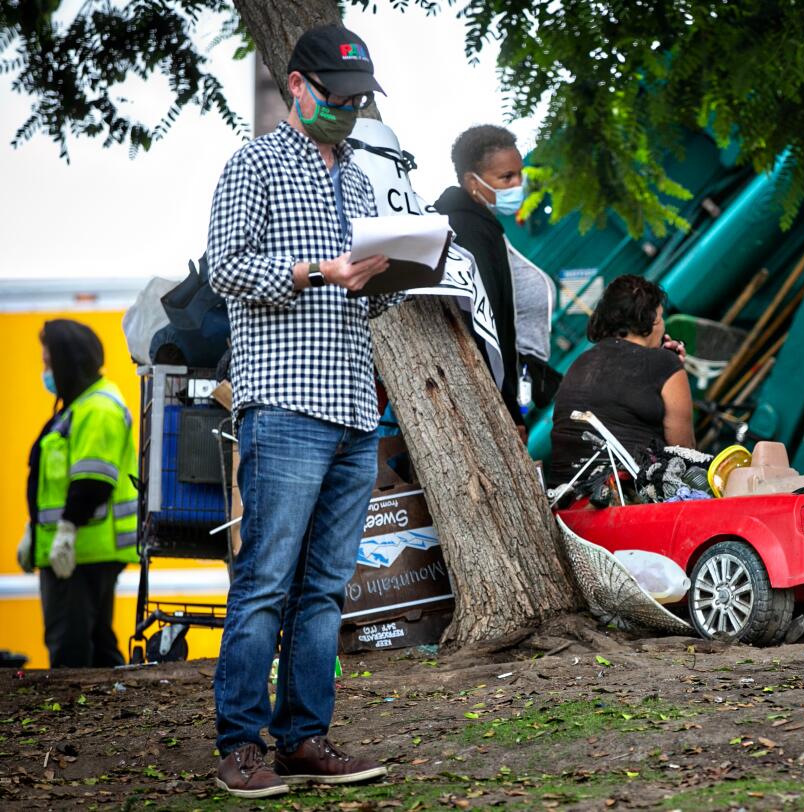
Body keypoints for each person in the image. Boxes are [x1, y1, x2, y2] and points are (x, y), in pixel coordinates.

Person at [205, 23, 402, 799]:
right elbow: (226, 266)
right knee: (265, 581)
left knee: (324, 589)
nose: (348, 111)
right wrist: (314, 270)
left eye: (359, 100)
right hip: (285, 402)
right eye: (336, 97)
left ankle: (302, 740)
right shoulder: (253, 162)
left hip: (355, 404)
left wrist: (392, 278)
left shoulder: (357, 178)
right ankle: (239, 747)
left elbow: (362, 293)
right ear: (296, 85)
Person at [17, 320, 138, 669]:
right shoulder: (78, 406)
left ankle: (72, 718)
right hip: (77, 551)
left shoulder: (97, 409)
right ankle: (110, 716)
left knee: (70, 647)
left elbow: (93, 482)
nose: (46, 372)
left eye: (49, 363)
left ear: (69, 361)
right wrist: (34, 528)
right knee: (97, 645)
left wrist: (65, 533)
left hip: (81, 552)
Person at [547, 275, 695, 489]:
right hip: (628, 496)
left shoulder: (581, 362)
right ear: (652, 319)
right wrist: (672, 367)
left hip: (564, 496)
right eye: (661, 318)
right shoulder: (665, 364)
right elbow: (684, 451)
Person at [434, 125, 526, 428]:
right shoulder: (466, 230)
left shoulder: (481, 223)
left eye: (519, 174)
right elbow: (487, 321)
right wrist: (508, 406)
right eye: (506, 177)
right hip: (486, 397)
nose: (518, 184)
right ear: (472, 181)